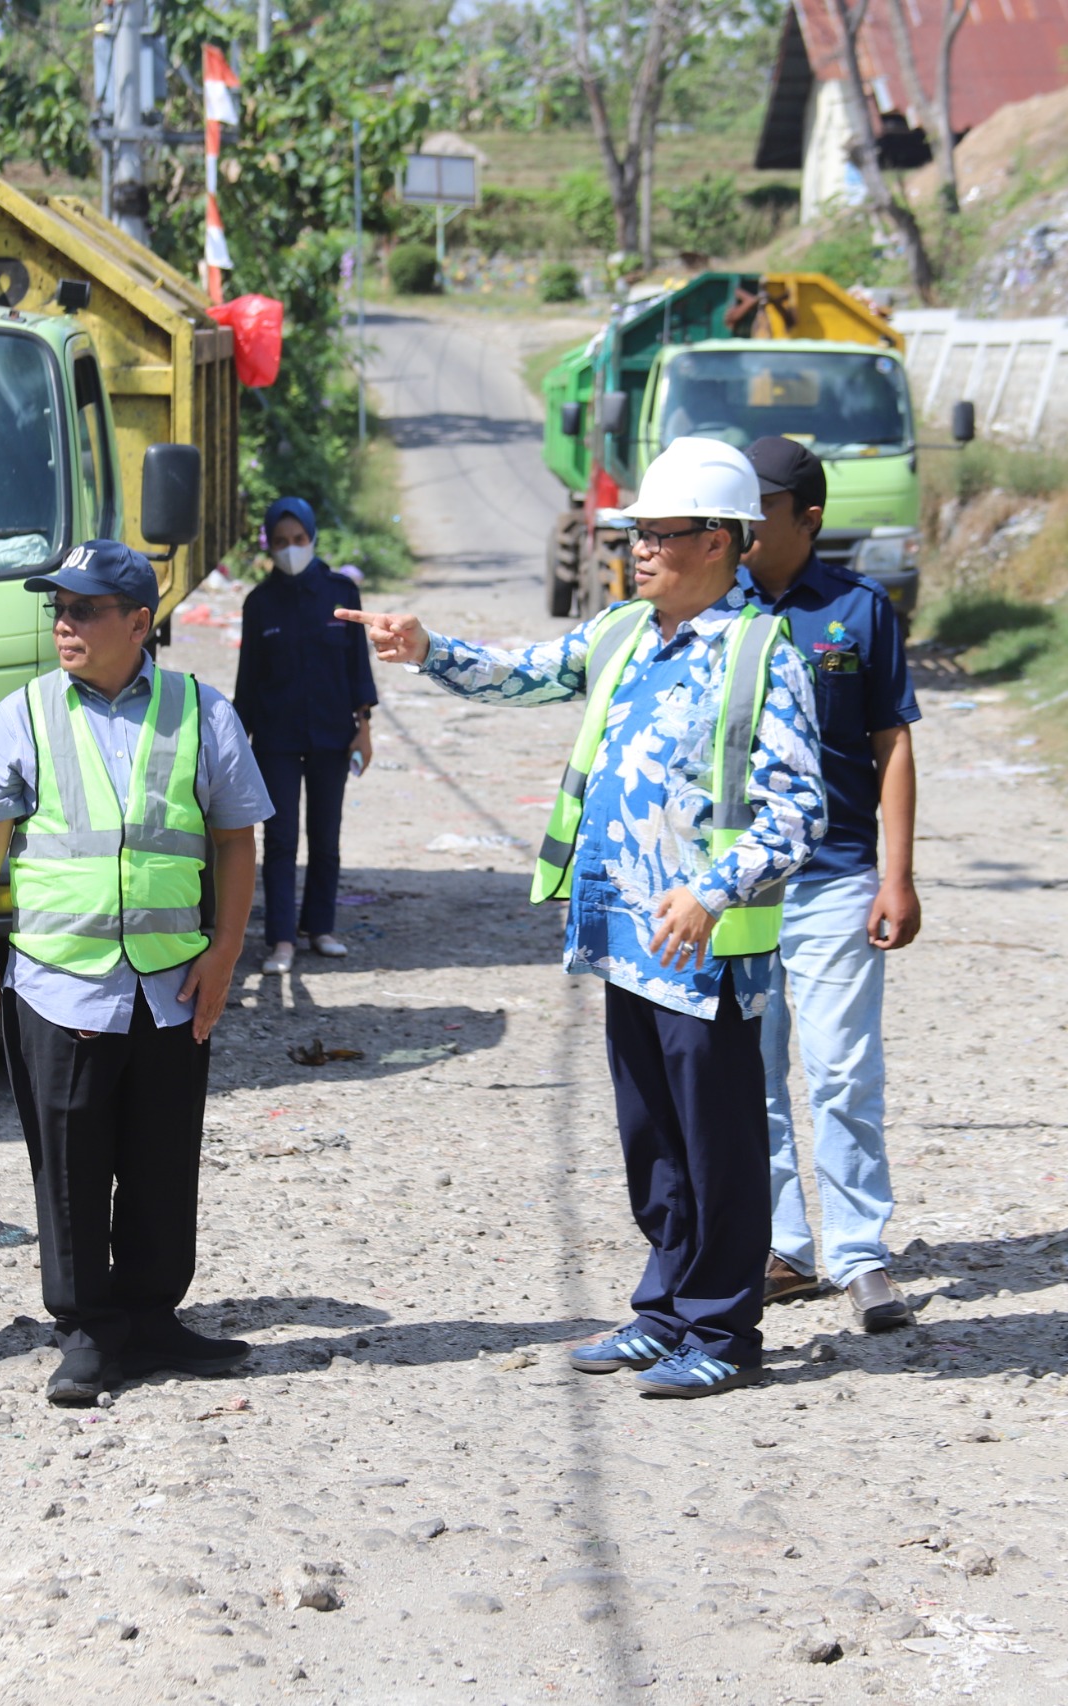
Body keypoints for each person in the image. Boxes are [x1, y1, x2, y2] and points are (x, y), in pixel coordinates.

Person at [341, 438, 825, 1398]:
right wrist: (427, 650)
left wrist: (714, 890)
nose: (638, 549)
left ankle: (725, 1332)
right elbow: (523, 671)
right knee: (653, 1144)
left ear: (723, 542)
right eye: (633, 533)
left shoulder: (762, 654)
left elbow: (799, 810)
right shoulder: (622, 634)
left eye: (660, 534)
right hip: (623, 939)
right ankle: (665, 1310)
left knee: (716, 1145)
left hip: (705, 950)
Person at [0, 540, 268, 1408]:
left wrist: (225, 951)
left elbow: (236, 840)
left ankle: (152, 1317)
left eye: (83, 610)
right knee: (73, 1166)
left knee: (162, 1159)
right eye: (59, 609)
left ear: (138, 623)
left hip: (169, 981)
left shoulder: (201, 712)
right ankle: (85, 1330)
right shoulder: (27, 713)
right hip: (62, 982)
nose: (64, 624)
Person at [737, 437, 922, 1333]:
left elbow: (892, 741)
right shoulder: (714, 604)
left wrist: (899, 875)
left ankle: (859, 1255)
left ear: (807, 518)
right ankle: (782, 1248)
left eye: (758, 507)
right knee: (753, 1072)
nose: (738, 522)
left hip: (839, 874)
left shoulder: (858, 610)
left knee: (843, 1069)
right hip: (737, 885)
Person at [235, 495, 377, 975]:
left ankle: (321, 928)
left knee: (326, 836)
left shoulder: (341, 593)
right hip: (274, 738)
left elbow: (358, 664)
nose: (290, 549)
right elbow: (247, 680)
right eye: (280, 542)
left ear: (312, 538)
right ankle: (280, 940)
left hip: (333, 735)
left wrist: (365, 729)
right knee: (278, 839)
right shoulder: (258, 603)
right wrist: (237, 744)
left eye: (298, 540)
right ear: (268, 546)